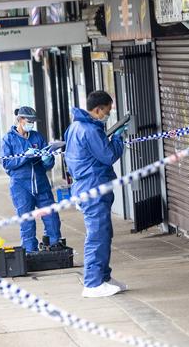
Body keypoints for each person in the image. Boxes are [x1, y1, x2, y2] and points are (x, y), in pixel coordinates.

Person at [64, 90, 128, 298]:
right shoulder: (90, 130)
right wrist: (118, 139)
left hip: (86, 186)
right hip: (93, 187)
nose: (108, 115)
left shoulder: (75, 127)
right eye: (107, 111)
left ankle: (103, 277)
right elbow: (108, 155)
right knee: (97, 235)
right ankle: (92, 283)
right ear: (98, 109)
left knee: (103, 233)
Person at [1, 106, 62, 253]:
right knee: (27, 222)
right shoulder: (8, 138)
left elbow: (48, 163)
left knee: (52, 218)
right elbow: (6, 164)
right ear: (20, 120)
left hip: (41, 184)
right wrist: (24, 156)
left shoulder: (37, 137)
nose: (31, 124)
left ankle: (54, 246)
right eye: (29, 121)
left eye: (33, 122)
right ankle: (30, 252)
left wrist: (47, 159)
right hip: (21, 186)